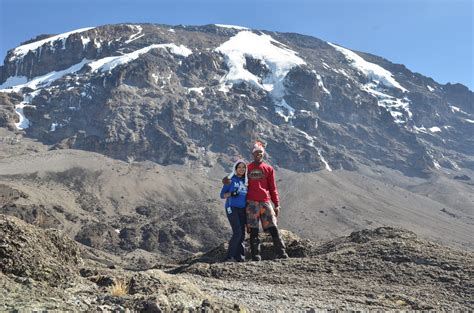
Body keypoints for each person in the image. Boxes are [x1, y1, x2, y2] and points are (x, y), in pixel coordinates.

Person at [224, 141, 288, 261]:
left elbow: (273, 187)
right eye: (256, 152)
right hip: (251, 202)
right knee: (253, 229)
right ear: (252, 154)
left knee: (273, 227)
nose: (258, 154)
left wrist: (277, 204)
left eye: (260, 152)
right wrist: (226, 182)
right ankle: (256, 255)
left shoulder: (269, 169)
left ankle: (281, 252)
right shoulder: (247, 168)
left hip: (265, 202)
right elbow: (236, 177)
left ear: (263, 154)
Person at [220, 159, 248, 262]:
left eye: (243, 167)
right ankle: (229, 257)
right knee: (237, 232)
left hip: (242, 209)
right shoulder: (230, 179)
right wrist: (232, 194)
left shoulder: (246, 181)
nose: (241, 169)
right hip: (231, 207)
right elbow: (222, 195)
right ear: (235, 169)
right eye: (239, 167)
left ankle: (239, 257)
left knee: (242, 234)